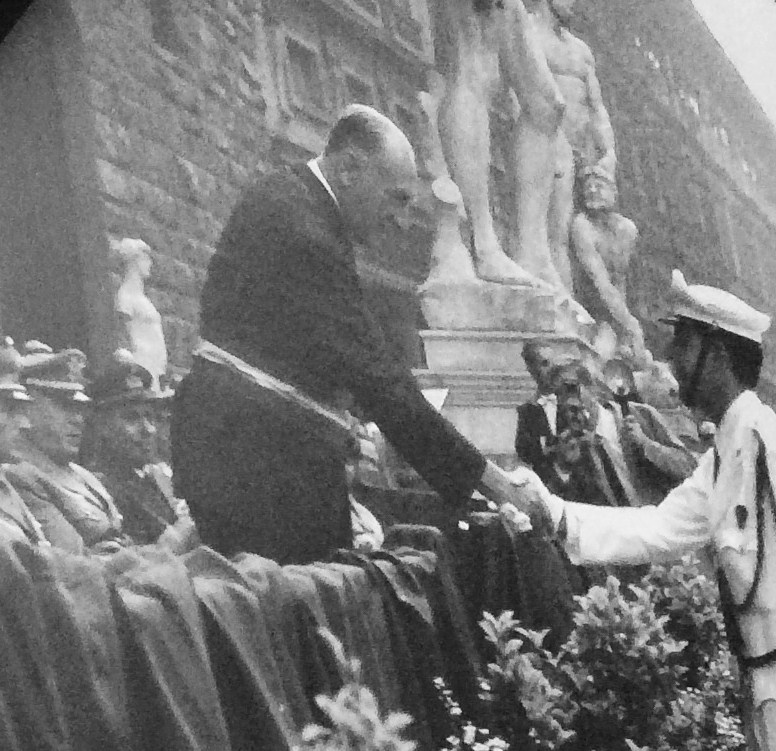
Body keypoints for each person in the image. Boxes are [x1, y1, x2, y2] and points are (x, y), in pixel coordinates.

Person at [172, 104, 537, 564]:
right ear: (349, 169)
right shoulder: (306, 234)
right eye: (397, 198)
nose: (403, 219)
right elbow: (377, 378)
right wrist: (493, 482)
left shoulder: (295, 204)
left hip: (255, 456)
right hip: (258, 469)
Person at [517, 269, 776, 750]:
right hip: (762, 694)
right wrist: (552, 511)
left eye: (682, 345)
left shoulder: (767, 443)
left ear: (715, 356)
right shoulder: (722, 456)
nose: (672, 360)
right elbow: (657, 529)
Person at [80, 349, 197, 552]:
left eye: (150, 417)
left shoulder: (146, 477)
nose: (149, 430)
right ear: (102, 425)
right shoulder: (101, 484)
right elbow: (163, 550)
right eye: (131, 418)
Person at [15, 343, 124, 552]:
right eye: (64, 406)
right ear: (26, 407)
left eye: (79, 408)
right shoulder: (21, 475)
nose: (78, 419)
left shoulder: (83, 475)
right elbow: (73, 559)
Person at [515, 341, 560, 479]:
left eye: (554, 364)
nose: (553, 370)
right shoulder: (527, 411)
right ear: (532, 370)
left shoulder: (573, 401)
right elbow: (524, 451)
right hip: (549, 483)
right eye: (545, 364)